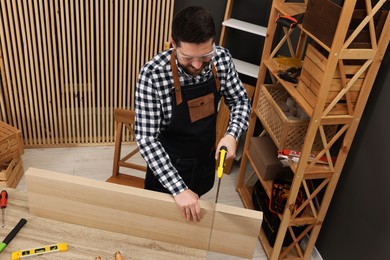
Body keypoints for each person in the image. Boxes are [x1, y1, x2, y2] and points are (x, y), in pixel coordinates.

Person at [134, 6, 251, 222]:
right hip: (167, 171)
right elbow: (146, 139)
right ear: (173, 43)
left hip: (204, 162)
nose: (197, 65)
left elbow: (241, 101)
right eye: (188, 57)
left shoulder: (222, 59)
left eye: (205, 55)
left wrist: (232, 135)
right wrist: (179, 189)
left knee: (193, 223)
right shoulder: (153, 74)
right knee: (160, 226)